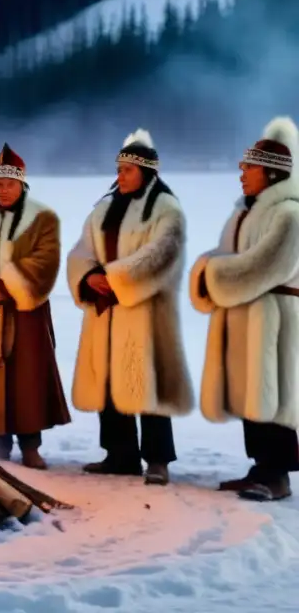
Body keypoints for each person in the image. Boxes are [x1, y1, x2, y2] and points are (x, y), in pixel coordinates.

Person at [67, 129, 194, 485]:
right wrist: (89, 276)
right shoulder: (104, 209)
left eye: (128, 170)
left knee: (147, 382)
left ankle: (157, 459)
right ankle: (119, 453)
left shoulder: (166, 209)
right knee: (109, 380)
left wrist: (115, 278)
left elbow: (161, 253)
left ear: (147, 173)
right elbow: (81, 250)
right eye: (119, 169)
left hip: (144, 311)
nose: (120, 175)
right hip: (106, 310)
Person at [191, 116, 299, 501]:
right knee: (251, 395)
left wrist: (212, 275)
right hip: (244, 316)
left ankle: (277, 475)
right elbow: (225, 256)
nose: (242, 174)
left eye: (249, 167)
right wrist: (206, 270)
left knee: (275, 395)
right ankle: (260, 466)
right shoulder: (242, 213)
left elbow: (268, 266)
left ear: (270, 174)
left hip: (274, 318)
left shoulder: (289, 214)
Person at [0, 143, 71, 468]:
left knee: (28, 377)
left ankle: (31, 444)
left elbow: (45, 261)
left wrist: (6, 284)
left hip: (26, 312)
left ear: (22, 185)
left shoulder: (42, 218)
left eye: (10, 184)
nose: (4, 190)